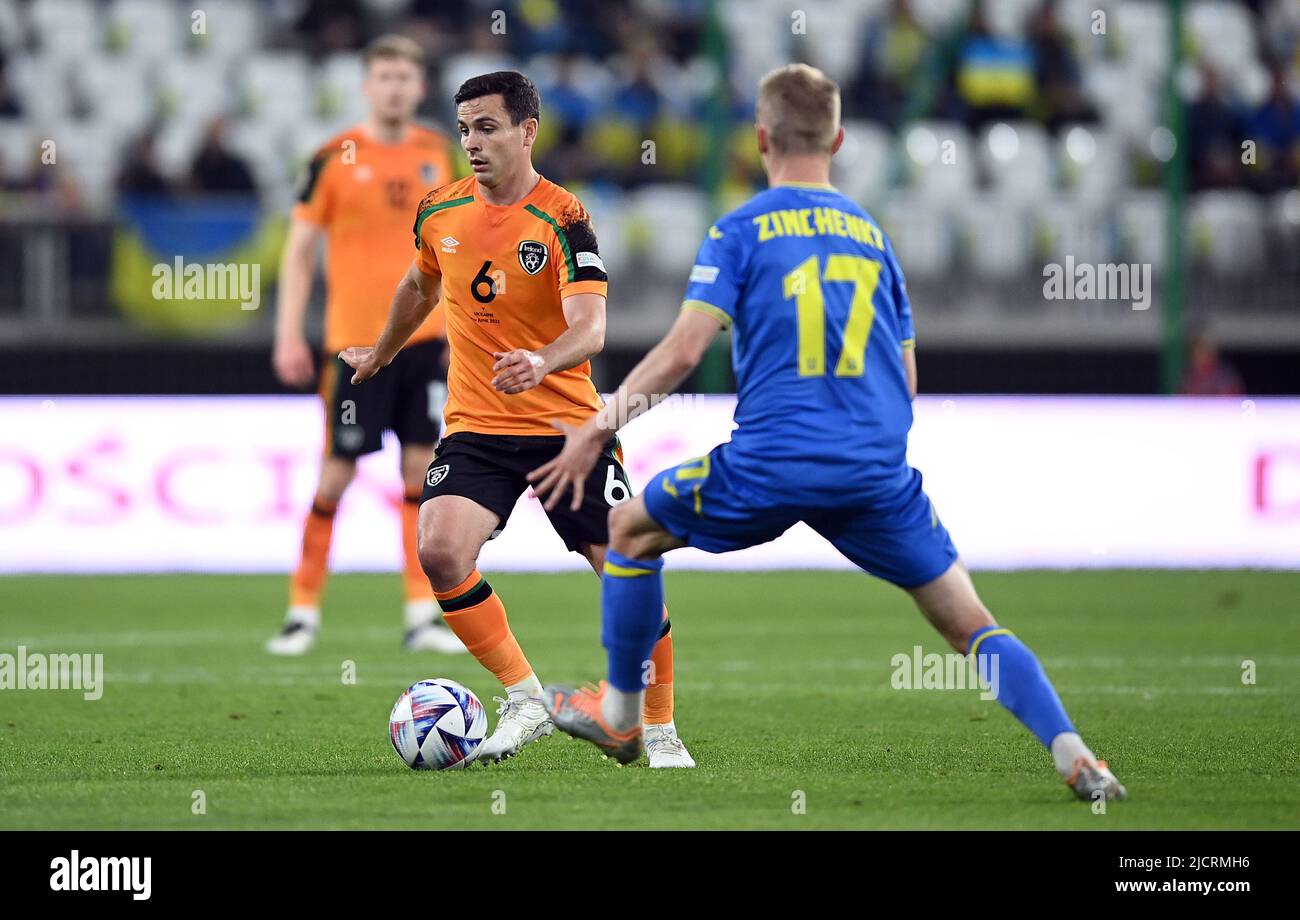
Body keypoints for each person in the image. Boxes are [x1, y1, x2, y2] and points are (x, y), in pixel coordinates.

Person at [531, 63, 1126, 802]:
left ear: (759, 139)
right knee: (971, 623)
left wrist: (598, 424)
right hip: (874, 471)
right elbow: (907, 381)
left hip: (772, 462)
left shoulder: (740, 229)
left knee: (628, 528)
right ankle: (1077, 756)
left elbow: (684, 351)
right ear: (839, 138)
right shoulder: (873, 238)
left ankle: (621, 716)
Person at [340, 71, 693, 767]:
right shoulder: (439, 210)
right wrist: (382, 352)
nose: (472, 142)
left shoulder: (564, 219)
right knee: (440, 549)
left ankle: (657, 726)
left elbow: (590, 330)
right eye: (464, 128)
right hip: (477, 424)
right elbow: (419, 285)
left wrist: (540, 360)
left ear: (528, 130)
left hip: (567, 429)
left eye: (488, 128)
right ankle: (526, 699)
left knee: (628, 565)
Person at [266, 35, 463, 656]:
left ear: (420, 86)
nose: (396, 87)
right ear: (366, 84)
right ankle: (302, 611)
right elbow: (299, 250)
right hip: (353, 345)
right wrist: (288, 330)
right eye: (385, 76)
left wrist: (466, 331)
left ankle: (421, 615)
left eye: (406, 76)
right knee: (336, 474)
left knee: (420, 471)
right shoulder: (332, 157)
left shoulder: (440, 152)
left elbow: (458, 250)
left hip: (425, 340)